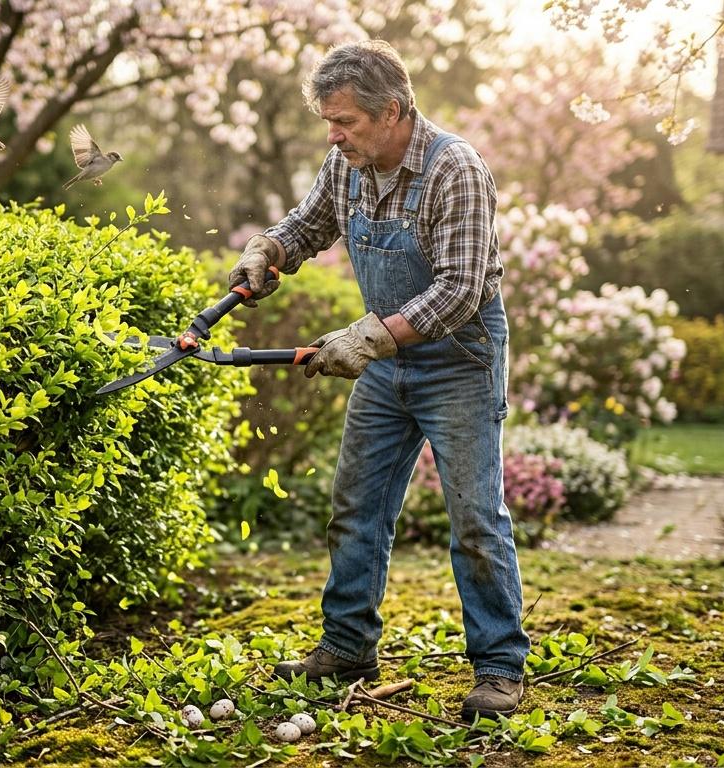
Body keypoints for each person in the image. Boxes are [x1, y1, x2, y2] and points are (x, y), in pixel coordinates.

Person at [227, 40, 527, 721]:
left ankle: (500, 665)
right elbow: (310, 224)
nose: (334, 136)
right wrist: (269, 249)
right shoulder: (348, 165)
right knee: (355, 508)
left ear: (391, 110)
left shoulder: (455, 169)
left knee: (476, 518)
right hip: (388, 362)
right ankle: (348, 645)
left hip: (460, 362)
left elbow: (459, 291)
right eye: (329, 122)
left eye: (346, 122)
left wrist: (369, 336)